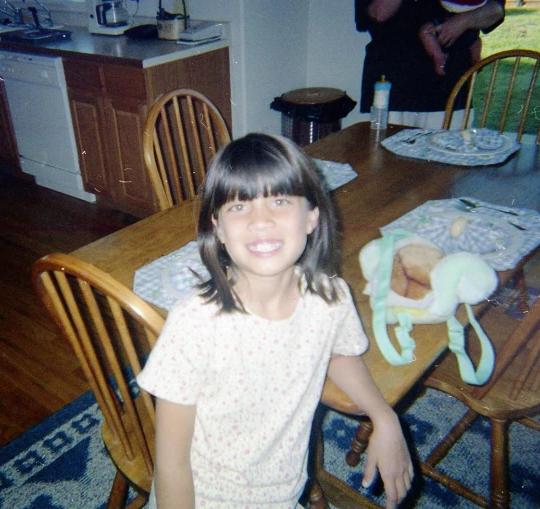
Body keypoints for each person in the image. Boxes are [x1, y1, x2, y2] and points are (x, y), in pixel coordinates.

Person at [137, 133, 414, 509]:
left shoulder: (329, 297)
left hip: (284, 491)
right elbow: (171, 466)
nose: (260, 221)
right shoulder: (195, 323)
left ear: (312, 216)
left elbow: (336, 351)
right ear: (217, 227)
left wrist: (384, 415)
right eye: (239, 207)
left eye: (280, 201)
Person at [356, 0, 506, 128]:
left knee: (448, 156)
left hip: (449, 84)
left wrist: (463, 21)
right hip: (395, 84)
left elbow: (497, 9)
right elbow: (379, 12)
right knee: (389, 156)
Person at [419, 0, 488, 76]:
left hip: (466, 15)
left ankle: (476, 60)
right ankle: (439, 57)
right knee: (425, 32)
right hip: (444, 17)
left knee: (473, 42)